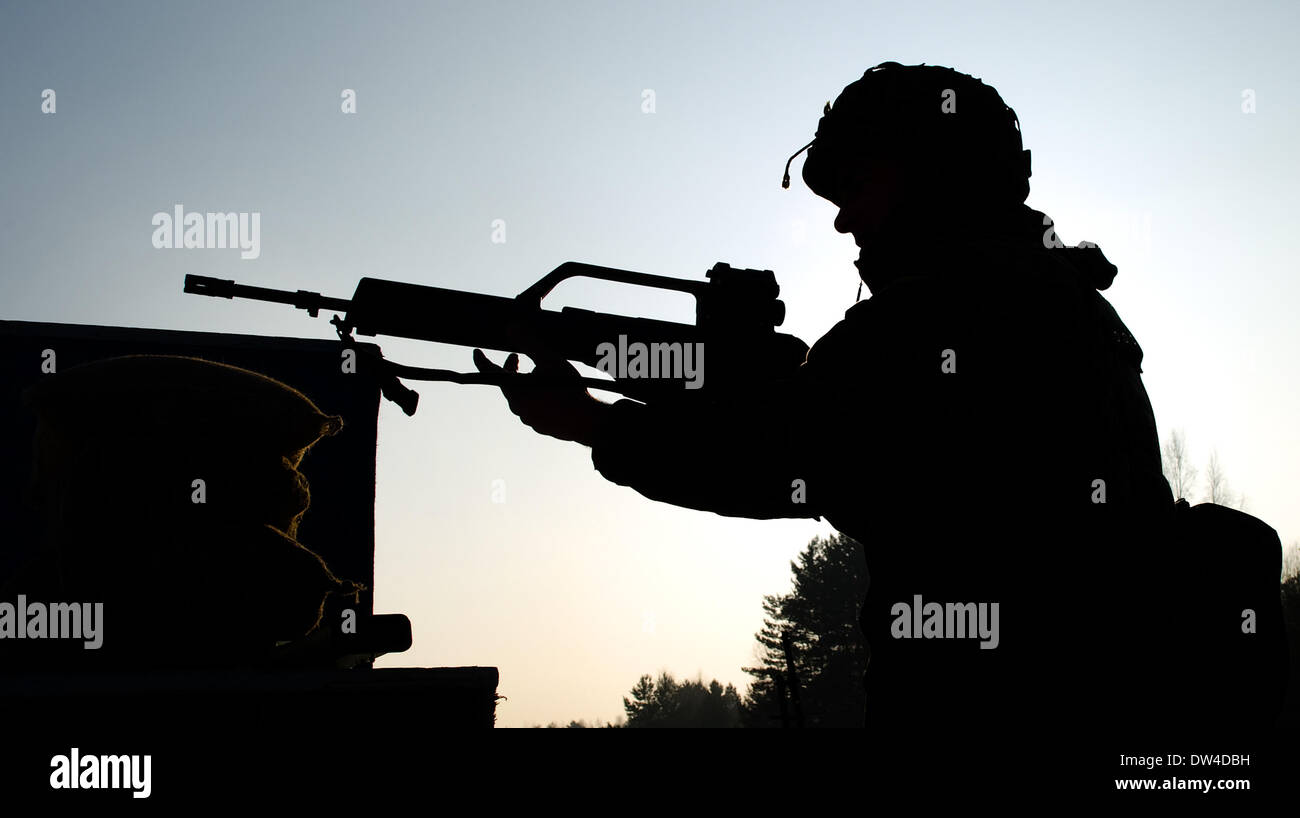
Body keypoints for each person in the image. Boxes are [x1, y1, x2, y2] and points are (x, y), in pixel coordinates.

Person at [473, 62, 1175, 738]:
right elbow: (813, 419)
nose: (844, 222)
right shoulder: (1058, 300)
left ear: (932, 179)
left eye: (858, 187)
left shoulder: (944, 314)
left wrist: (589, 421)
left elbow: (773, 453)